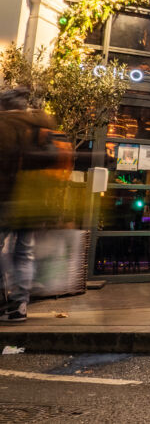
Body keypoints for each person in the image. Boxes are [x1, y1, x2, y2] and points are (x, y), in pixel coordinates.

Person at [0, 88, 71, 323]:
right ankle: (19, 304)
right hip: (32, 198)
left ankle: (4, 299)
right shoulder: (40, 125)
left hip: (6, 198)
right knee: (25, 251)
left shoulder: (4, 126)